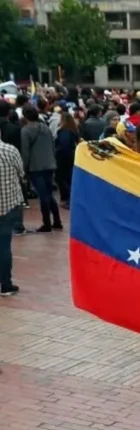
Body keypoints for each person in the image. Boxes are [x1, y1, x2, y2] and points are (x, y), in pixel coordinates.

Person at [20, 105, 61, 233]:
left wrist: (23, 169)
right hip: (50, 164)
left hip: (36, 166)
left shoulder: (26, 131)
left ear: (25, 116)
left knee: (43, 195)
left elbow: (25, 152)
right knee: (49, 193)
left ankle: (47, 224)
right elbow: (53, 145)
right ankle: (57, 221)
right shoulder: (46, 128)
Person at [0, 136, 23, 296]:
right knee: (4, 246)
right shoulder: (10, 150)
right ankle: (6, 285)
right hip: (8, 206)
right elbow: (21, 173)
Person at [54, 111, 79, 208]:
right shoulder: (74, 130)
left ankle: (67, 199)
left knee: (61, 178)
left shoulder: (64, 131)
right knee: (69, 178)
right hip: (71, 157)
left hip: (63, 158)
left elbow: (64, 146)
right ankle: (70, 198)